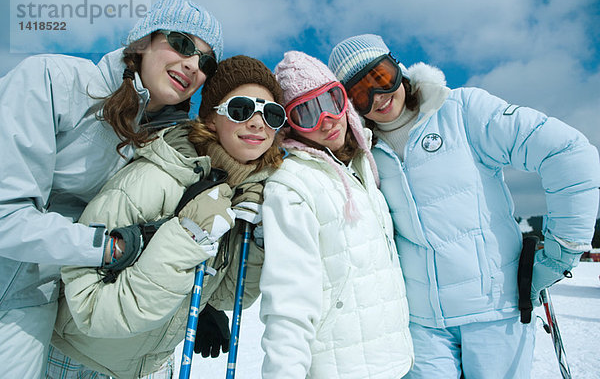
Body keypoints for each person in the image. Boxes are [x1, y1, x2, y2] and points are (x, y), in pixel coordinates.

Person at [328, 34, 600, 378]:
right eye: (358, 94)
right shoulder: (362, 153)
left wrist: (561, 252)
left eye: (380, 78)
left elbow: (569, 153)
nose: (376, 97)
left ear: (398, 68)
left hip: (494, 314)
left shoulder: (462, 111)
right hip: (420, 325)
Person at [0, 0, 224, 377]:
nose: (192, 64)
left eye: (206, 62)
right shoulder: (52, 81)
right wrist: (110, 247)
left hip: (58, 303)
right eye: (183, 44)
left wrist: (201, 304)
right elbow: (7, 216)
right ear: (141, 42)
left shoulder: (164, 139)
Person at [47, 55, 286, 378]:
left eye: (271, 114)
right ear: (211, 118)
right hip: (79, 362)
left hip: (153, 366)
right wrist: (188, 235)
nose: (258, 123)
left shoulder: (241, 196)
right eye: (241, 109)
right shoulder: (154, 177)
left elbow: (229, 294)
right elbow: (89, 307)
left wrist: (255, 241)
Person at [258, 50, 414, 379]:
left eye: (331, 101)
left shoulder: (361, 168)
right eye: (307, 113)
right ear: (290, 126)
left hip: (395, 361)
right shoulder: (290, 187)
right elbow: (289, 301)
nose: (326, 120)